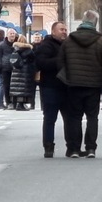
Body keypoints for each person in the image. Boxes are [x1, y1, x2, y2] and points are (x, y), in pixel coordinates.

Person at [58, 11, 102, 158]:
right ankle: (90, 148)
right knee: (92, 117)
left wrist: (66, 78)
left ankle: (75, 149)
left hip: (73, 84)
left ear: (82, 21)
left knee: (75, 117)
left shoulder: (69, 40)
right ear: (95, 23)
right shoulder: (101, 42)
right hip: (94, 85)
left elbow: (60, 62)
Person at [34, 22, 69, 158]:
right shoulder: (46, 45)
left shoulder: (68, 45)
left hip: (66, 87)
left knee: (69, 119)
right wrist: (60, 61)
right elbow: (41, 63)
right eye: (61, 29)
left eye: (65, 29)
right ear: (53, 31)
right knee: (50, 119)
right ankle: (48, 146)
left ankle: (71, 147)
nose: (64, 32)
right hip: (50, 87)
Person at [7, 35, 37, 111]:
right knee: (23, 89)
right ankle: (21, 105)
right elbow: (33, 60)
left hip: (16, 71)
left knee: (17, 89)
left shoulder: (15, 49)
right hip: (25, 72)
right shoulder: (28, 50)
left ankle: (17, 104)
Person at [0, 29, 18, 109]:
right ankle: (8, 102)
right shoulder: (2, 45)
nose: (12, 35)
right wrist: (0, 65)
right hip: (6, 68)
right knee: (7, 86)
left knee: (15, 86)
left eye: (13, 33)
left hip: (16, 68)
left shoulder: (17, 44)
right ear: (7, 35)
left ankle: (15, 102)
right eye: (10, 33)